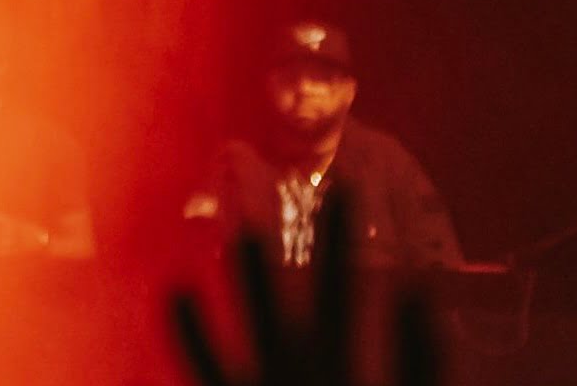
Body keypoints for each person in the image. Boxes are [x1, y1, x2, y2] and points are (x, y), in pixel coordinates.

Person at [185, 20, 459, 270]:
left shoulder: (390, 168)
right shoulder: (237, 166)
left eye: (321, 78)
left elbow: (441, 272)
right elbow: (193, 265)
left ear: (348, 91)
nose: (304, 89)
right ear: (270, 87)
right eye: (291, 78)